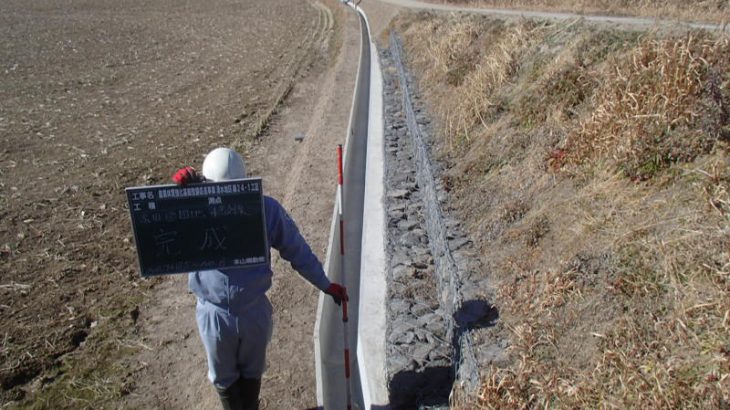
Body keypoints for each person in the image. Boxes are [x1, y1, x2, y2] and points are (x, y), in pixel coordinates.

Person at [172, 147, 348, 410]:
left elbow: (296, 249)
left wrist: (324, 283)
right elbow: (160, 233)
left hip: (252, 309)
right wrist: (176, 197)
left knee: (252, 371)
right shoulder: (192, 211)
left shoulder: (265, 210)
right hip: (213, 311)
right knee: (223, 376)